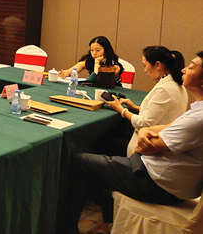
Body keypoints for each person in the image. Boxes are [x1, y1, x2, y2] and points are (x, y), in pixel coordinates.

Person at [63, 52, 203, 234]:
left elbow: (149, 147)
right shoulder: (196, 109)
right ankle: (108, 218)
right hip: (163, 177)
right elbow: (164, 126)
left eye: (191, 67)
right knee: (104, 147)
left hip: (157, 183)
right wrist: (145, 131)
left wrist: (141, 129)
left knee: (79, 162)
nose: (184, 69)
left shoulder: (198, 118)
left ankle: (66, 229)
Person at [106, 46, 188, 156]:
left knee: (104, 142)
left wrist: (121, 110)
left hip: (147, 152)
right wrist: (136, 108)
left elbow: (144, 124)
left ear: (158, 65)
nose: (145, 70)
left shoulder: (164, 89)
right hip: (157, 144)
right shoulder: (176, 85)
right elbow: (163, 113)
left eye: (145, 65)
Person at [59, 36, 124, 86]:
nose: (94, 53)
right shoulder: (90, 61)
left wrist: (97, 62)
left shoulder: (114, 64)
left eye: (97, 50)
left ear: (106, 50)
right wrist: (65, 73)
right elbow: (74, 69)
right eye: (92, 50)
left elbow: (98, 79)